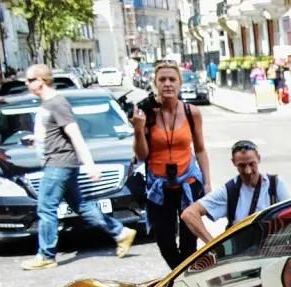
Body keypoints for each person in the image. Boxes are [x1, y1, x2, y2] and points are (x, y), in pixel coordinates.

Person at [20, 65, 136, 270]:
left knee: (46, 208)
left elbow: (75, 134)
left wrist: (90, 164)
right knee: (81, 206)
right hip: (59, 162)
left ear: (40, 80)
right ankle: (121, 232)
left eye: (29, 80)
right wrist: (37, 139)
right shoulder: (49, 103)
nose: (26, 84)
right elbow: (57, 134)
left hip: (58, 164)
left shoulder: (57, 103)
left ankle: (46, 255)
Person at [132, 59, 211, 268]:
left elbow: (200, 149)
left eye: (172, 79)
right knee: (165, 243)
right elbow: (141, 155)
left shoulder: (191, 112)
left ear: (179, 83)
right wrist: (138, 130)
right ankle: (184, 279)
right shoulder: (147, 114)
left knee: (188, 244)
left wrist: (208, 183)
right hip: (160, 187)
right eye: (162, 79)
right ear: (155, 83)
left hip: (189, 183)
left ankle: (186, 285)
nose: (168, 84)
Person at [180, 140, 290, 243]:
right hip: (243, 254)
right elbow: (188, 214)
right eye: (242, 165)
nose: (248, 171)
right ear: (233, 163)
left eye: (252, 164)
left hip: (274, 248)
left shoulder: (276, 184)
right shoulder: (229, 191)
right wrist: (214, 246)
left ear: (259, 159)